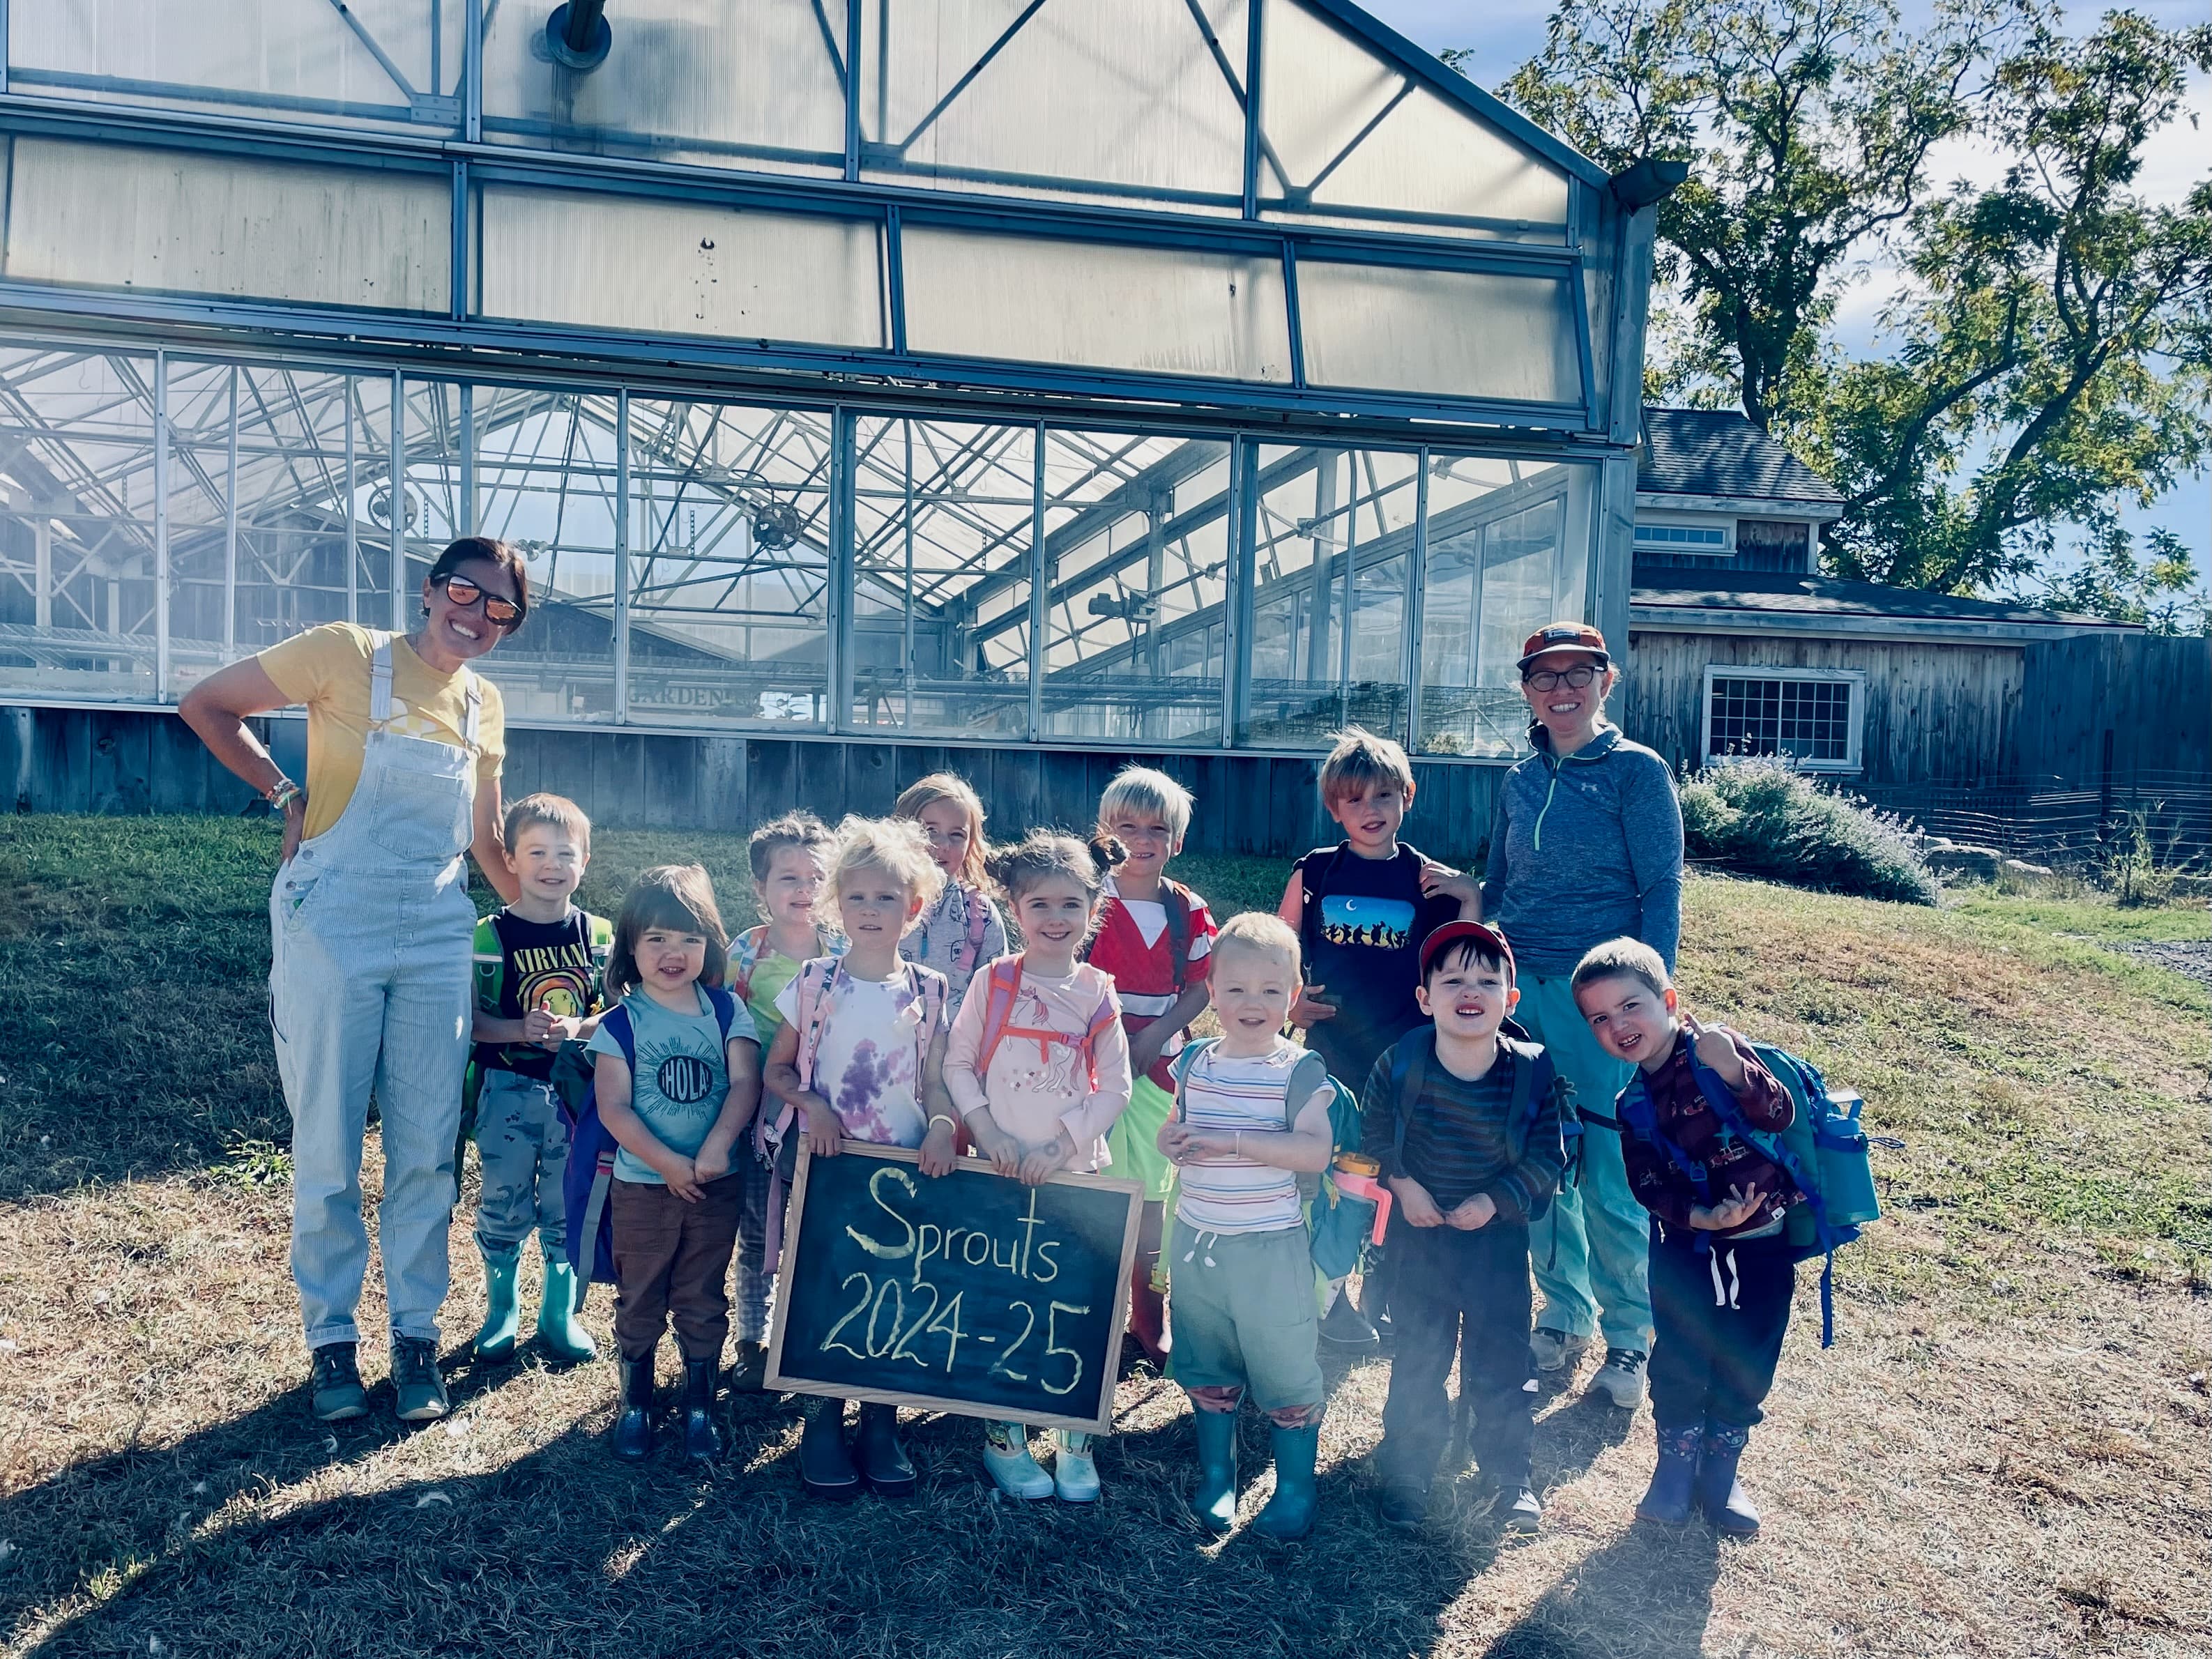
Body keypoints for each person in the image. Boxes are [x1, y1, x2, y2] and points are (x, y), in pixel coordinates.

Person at [178, 536, 528, 1424]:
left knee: (426, 1148)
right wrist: (282, 794)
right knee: (329, 1143)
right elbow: (207, 704)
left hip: (437, 933)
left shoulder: (485, 703)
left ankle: (415, 1335)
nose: (477, 615)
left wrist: (546, 914)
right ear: (428, 588)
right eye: (465, 590)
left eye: (501, 609)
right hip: (333, 920)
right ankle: (331, 1340)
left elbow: (484, 839)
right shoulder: (346, 655)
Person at [1472, 622, 1684, 1409]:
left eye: (1577, 674)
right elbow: (1496, 885)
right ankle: (1563, 1314)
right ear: (1525, 689)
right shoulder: (1518, 777)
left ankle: (1630, 1337)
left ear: (1605, 681)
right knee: (1539, 1164)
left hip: (1600, 1000)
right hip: (1523, 998)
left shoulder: (1634, 771)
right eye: (1543, 677)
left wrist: (1638, 998)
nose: (1561, 690)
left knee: (1608, 1168)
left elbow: (1660, 886)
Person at [1572, 938, 1797, 1538]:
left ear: (1668, 1000)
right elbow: (1646, 1184)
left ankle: (1721, 1469)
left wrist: (1735, 1071)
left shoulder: (1716, 1053)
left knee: (1748, 1355)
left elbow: (1777, 1116)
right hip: (1682, 1251)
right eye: (1600, 1018)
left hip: (1762, 1242)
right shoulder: (1631, 1102)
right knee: (1677, 1355)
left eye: (1631, 1006)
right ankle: (1674, 1464)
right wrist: (1699, 1220)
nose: (1619, 1024)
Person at [762, 817, 958, 1499]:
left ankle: (880, 1420)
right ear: (835, 905)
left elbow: (935, 1080)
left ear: (914, 905)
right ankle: (823, 1418)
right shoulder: (816, 984)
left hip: (901, 1171)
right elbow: (776, 1070)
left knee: (893, 1295)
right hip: (828, 1168)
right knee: (824, 1286)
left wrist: (940, 1125)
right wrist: (812, 1106)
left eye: (886, 898)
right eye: (857, 897)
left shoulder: (930, 991)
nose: (870, 911)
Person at [945, 832, 1131, 1504]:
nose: (1056, 920)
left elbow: (1115, 1087)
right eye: (1040, 905)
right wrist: (989, 1131)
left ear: (1093, 907)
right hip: (997, 1176)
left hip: (1074, 1180)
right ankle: (1005, 1440)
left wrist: (1060, 1147)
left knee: (1073, 1307)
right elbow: (958, 1063)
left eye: (1071, 905)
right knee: (1002, 1301)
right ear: (1015, 909)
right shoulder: (991, 982)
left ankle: (1074, 1441)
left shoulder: (1098, 992)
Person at [1363, 922, 1568, 1534]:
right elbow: (1371, 1136)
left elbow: (1545, 1159)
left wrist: (1495, 1199)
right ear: (1425, 997)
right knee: (1420, 1355)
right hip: (1418, 1240)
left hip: (1495, 1244)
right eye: (1451, 980)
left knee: (1502, 1359)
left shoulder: (1531, 1072)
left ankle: (1506, 1474)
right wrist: (1401, 1184)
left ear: (1511, 998)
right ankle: (1408, 1466)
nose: (1468, 991)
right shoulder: (1400, 1061)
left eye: (1486, 980)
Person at [1278, 728, 1475, 1348]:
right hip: (1332, 1059)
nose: (1371, 810)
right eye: (1355, 799)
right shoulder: (1314, 872)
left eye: (1384, 795)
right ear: (1334, 808)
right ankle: (1319, 1295)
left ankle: (1379, 1296)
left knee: (1390, 1176)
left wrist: (1470, 900)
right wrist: (1290, 1002)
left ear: (1408, 797)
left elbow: (1462, 966)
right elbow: (1275, 949)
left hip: (1406, 1060)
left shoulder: (1427, 881)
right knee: (1333, 1178)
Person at [1156, 912, 1337, 1540]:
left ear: (1292, 997)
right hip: (1198, 1240)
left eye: (1269, 991)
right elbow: (1175, 1129)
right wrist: (1171, 1140)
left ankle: (1293, 1487)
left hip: (1268, 1247)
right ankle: (1218, 1475)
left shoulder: (1297, 1071)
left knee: (1285, 1368)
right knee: (1206, 1363)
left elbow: (1314, 1152)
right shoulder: (1196, 1062)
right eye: (1235, 989)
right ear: (1212, 993)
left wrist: (1231, 1141)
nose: (1251, 1004)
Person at [588, 865, 762, 1462]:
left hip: (717, 1183)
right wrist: (665, 1163)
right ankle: (636, 1403)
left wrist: (716, 1148)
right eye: (656, 939)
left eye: (689, 939)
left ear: (709, 946)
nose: (673, 953)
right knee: (640, 1295)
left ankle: (699, 1405)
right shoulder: (618, 1025)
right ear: (630, 946)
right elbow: (614, 1108)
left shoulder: (725, 1012)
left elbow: (744, 1083)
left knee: (701, 1292)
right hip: (644, 1188)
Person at [466, 791, 610, 1364]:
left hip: (575, 1099)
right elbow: (468, 1023)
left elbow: (622, 1013)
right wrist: (517, 1031)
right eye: (537, 852)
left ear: (584, 862)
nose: (552, 866)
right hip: (506, 1095)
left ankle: (559, 1314)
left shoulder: (599, 937)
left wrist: (579, 1026)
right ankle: (500, 1311)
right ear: (512, 861)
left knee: (565, 1201)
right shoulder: (488, 938)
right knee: (503, 1199)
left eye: (565, 854)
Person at [1091, 766, 1218, 1364]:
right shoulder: (1087, 896)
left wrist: (1154, 1039)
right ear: (1105, 833)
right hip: (1087, 1067)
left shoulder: (1186, 909)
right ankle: (1086, 1313)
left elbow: (1200, 987)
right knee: (1092, 1191)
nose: (1142, 840)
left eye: (1157, 829)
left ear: (1177, 841)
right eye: (1127, 827)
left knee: (1148, 1198)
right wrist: (1112, 1045)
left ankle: (1149, 1318)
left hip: (1157, 1069)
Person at [725, 811, 844, 1393]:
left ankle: (812, 1335)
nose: (804, 890)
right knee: (758, 1227)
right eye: (787, 878)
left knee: (819, 1226)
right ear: (760, 888)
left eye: (816, 877)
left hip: (830, 1114)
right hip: (759, 1116)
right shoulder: (743, 955)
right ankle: (753, 1338)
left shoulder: (847, 950)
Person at [894, 772, 1007, 1006]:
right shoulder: (879, 900)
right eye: (929, 831)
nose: (943, 845)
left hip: (957, 1038)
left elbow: (998, 994)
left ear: (971, 844)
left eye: (957, 835)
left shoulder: (980, 915)